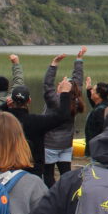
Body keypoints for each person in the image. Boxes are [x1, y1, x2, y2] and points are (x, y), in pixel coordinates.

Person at [2, 82, 72, 182]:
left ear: (11, 101)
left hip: (8, 168)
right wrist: (65, 93)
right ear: (29, 101)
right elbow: (63, 117)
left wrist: (4, 105)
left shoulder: (4, 120)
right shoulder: (37, 121)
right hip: (32, 170)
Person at [42, 49, 85, 187]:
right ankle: (68, 196)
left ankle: (52, 197)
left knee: (48, 174)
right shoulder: (76, 101)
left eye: (63, 82)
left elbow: (47, 85)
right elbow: (78, 81)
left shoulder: (55, 101)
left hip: (50, 144)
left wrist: (54, 64)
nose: (61, 82)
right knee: (66, 174)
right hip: (66, 144)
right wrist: (78, 60)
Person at [83, 77, 108, 144]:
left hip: (98, 149)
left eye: (93, 90)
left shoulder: (100, 111)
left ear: (98, 95)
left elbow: (103, 131)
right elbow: (96, 104)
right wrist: (89, 89)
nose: (91, 91)